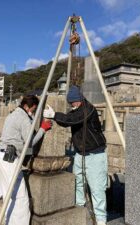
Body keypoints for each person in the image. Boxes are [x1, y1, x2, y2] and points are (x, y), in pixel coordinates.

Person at [0, 95, 52, 225]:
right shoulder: (24, 118)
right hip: (9, 161)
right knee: (20, 197)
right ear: (26, 106)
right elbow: (30, 142)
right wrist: (42, 129)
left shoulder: (12, 115)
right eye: (33, 110)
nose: (33, 112)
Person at [43, 85, 108, 225]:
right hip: (80, 154)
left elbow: (73, 120)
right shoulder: (76, 110)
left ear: (80, 99)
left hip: (95, 155)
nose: (72, 104)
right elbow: (67, 120)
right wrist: (56, 117)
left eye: (74, 102)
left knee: (97, 188)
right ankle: (80, 208)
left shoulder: (88, 109)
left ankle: (101, 219)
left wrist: (54, 115)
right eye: (70, 103)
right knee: (78, 183)